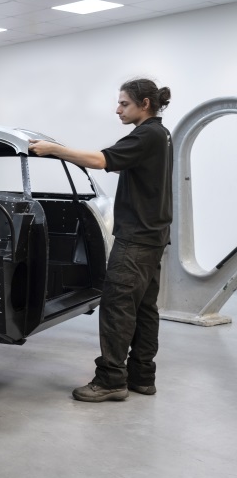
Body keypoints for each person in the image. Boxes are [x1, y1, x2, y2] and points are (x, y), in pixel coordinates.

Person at [28, 78, 172, 403]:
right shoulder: (161, 136)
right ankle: (142, 377)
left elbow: (100, 160)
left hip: (135, 239)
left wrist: (54, 150)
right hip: (153, 236)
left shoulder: (146, 134)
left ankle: (110, 380)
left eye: (123, 103)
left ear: (144, 104)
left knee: (117, 306)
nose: (117, 109)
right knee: (144, 308)